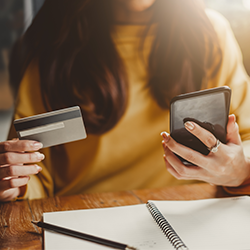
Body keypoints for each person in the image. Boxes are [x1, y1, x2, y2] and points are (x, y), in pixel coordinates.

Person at [1, 0, 250, 202]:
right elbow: (33, 170)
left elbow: (246, 137)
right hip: (81, 217)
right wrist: (16, 186)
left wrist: (240, 171)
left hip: (193, 213)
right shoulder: (51, 46)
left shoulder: (211, 34)